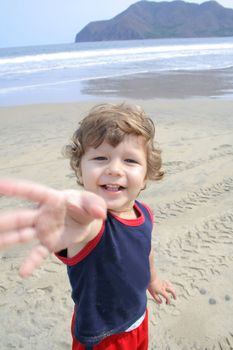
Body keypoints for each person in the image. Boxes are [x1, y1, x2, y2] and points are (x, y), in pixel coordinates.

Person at [0, 103, 176, 350]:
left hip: (137, 320)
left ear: (146, 173)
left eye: (130, 160)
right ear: (80, 170)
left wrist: (153, 280)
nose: (114, 169)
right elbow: (79, 224)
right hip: (103, 337)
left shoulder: (144, 213)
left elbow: (145, 251)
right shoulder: (93, 224)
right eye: (100, 158)